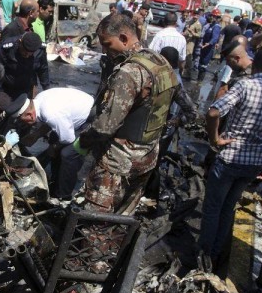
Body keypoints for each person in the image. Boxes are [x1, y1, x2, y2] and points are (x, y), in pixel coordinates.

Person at [78, 14, 189, 214]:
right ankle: (117, 246)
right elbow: (188, 106)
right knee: (124, 215)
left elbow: (105, 126)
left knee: (95, 221)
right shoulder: (161, 62)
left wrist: (83, 141)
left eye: (107, 44)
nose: (105, 50)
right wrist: (168, 124)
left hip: (118, 162)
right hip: (147, 157)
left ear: (123, 38)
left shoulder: (129, 72)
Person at [198, 47, 262, 266]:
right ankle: (217, 252)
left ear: (254, 64)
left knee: (213, 207)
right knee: (229, 206)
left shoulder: (244, 85)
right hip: (255, 161)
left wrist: (215, 139)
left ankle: (204, 253)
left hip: (230, 156)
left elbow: (213, 112)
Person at [9, 89, 94, 202]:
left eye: (23, 120)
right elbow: (51, 122)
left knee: (68, 154)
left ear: (30, 114)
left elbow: (68, 138)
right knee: (54, 139)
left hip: (91, 117)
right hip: (76, 112)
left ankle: (64, 196)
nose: (24, 123)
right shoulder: (38, 101)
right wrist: (36, 135)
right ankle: (55, 181)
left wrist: (53, 148)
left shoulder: (50, 113)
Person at [0, 31, 50, 99]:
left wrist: (47, 90)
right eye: (24, 51)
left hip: (27, 88)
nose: (27, 55)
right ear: (20, 42)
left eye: (31, 53)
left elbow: (43, 69)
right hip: (8, 88)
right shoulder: (5, 48)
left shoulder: (40, 49)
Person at [197, 9, 222, 81]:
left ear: (218, 18)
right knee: (200, 63)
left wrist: (209, 43)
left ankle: (200, 81)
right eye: (212, 16)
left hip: (209, 48)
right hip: (204, 47)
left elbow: (215, 38)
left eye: (215, 17)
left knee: (203, 65)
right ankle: (199, 79)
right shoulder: (210, 25)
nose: (212, 18)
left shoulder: (216, 26)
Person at [183, 10, 202, 76]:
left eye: (197, 15)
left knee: (188, 56)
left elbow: (199, 35)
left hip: (191, 41)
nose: (195, 17)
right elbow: (185, 29)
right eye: (194, 15)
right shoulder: (189, 21)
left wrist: (192, 32)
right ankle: (182, 70)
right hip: (185, 39)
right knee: (182, 55)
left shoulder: (198, 24)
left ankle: (188, 73)